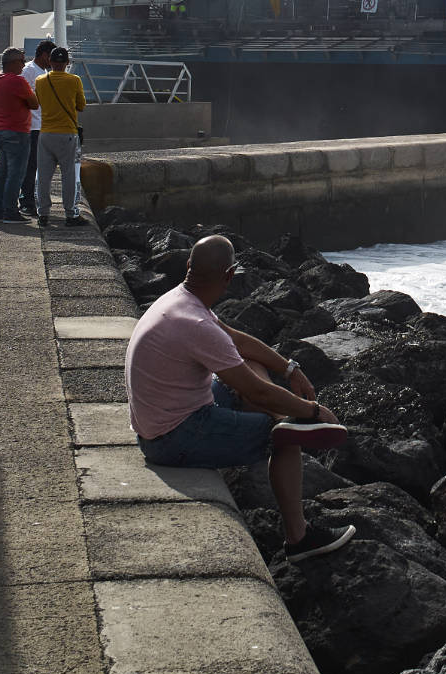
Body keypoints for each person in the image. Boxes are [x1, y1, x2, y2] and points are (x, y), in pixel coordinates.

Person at [124, 235, 353, 562]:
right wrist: (313, 410)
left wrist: (289, 369)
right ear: (230, 275)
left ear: (189, 266)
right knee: (284, 440)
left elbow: (236, 342)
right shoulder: (197, 324)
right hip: (172, 437)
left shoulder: (181, 300)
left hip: (163, 419)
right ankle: (300, 539)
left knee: (252, 365)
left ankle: (282, 419)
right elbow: (255, 390)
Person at [33, 45, 88, 227]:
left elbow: (39, 101)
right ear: (67, 63)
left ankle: (43, 214)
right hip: (67, 134)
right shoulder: (74, 80)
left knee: (43, 176)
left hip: (45, 134)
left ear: (50, 62)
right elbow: (81, 105)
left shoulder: (40, 80)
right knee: (69, 176)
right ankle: (71, 215)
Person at [0, 47, 38, 223]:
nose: (24, 65)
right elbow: (34, 103)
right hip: (17, 132)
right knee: (16, 174)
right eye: (22, 61)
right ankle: (10, 211)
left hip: (0, 131)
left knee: (1, 173)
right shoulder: (18, 81)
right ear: (13, 62)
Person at [18, 39, 55, 218]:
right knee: (30, 165)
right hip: (32, 125)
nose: (53, 61)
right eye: (51, 57)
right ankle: (26, 200)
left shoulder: (42, 71)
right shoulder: (30, 70)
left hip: (40, 124)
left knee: (37, 165)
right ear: (44, 55)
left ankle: (31, 197)